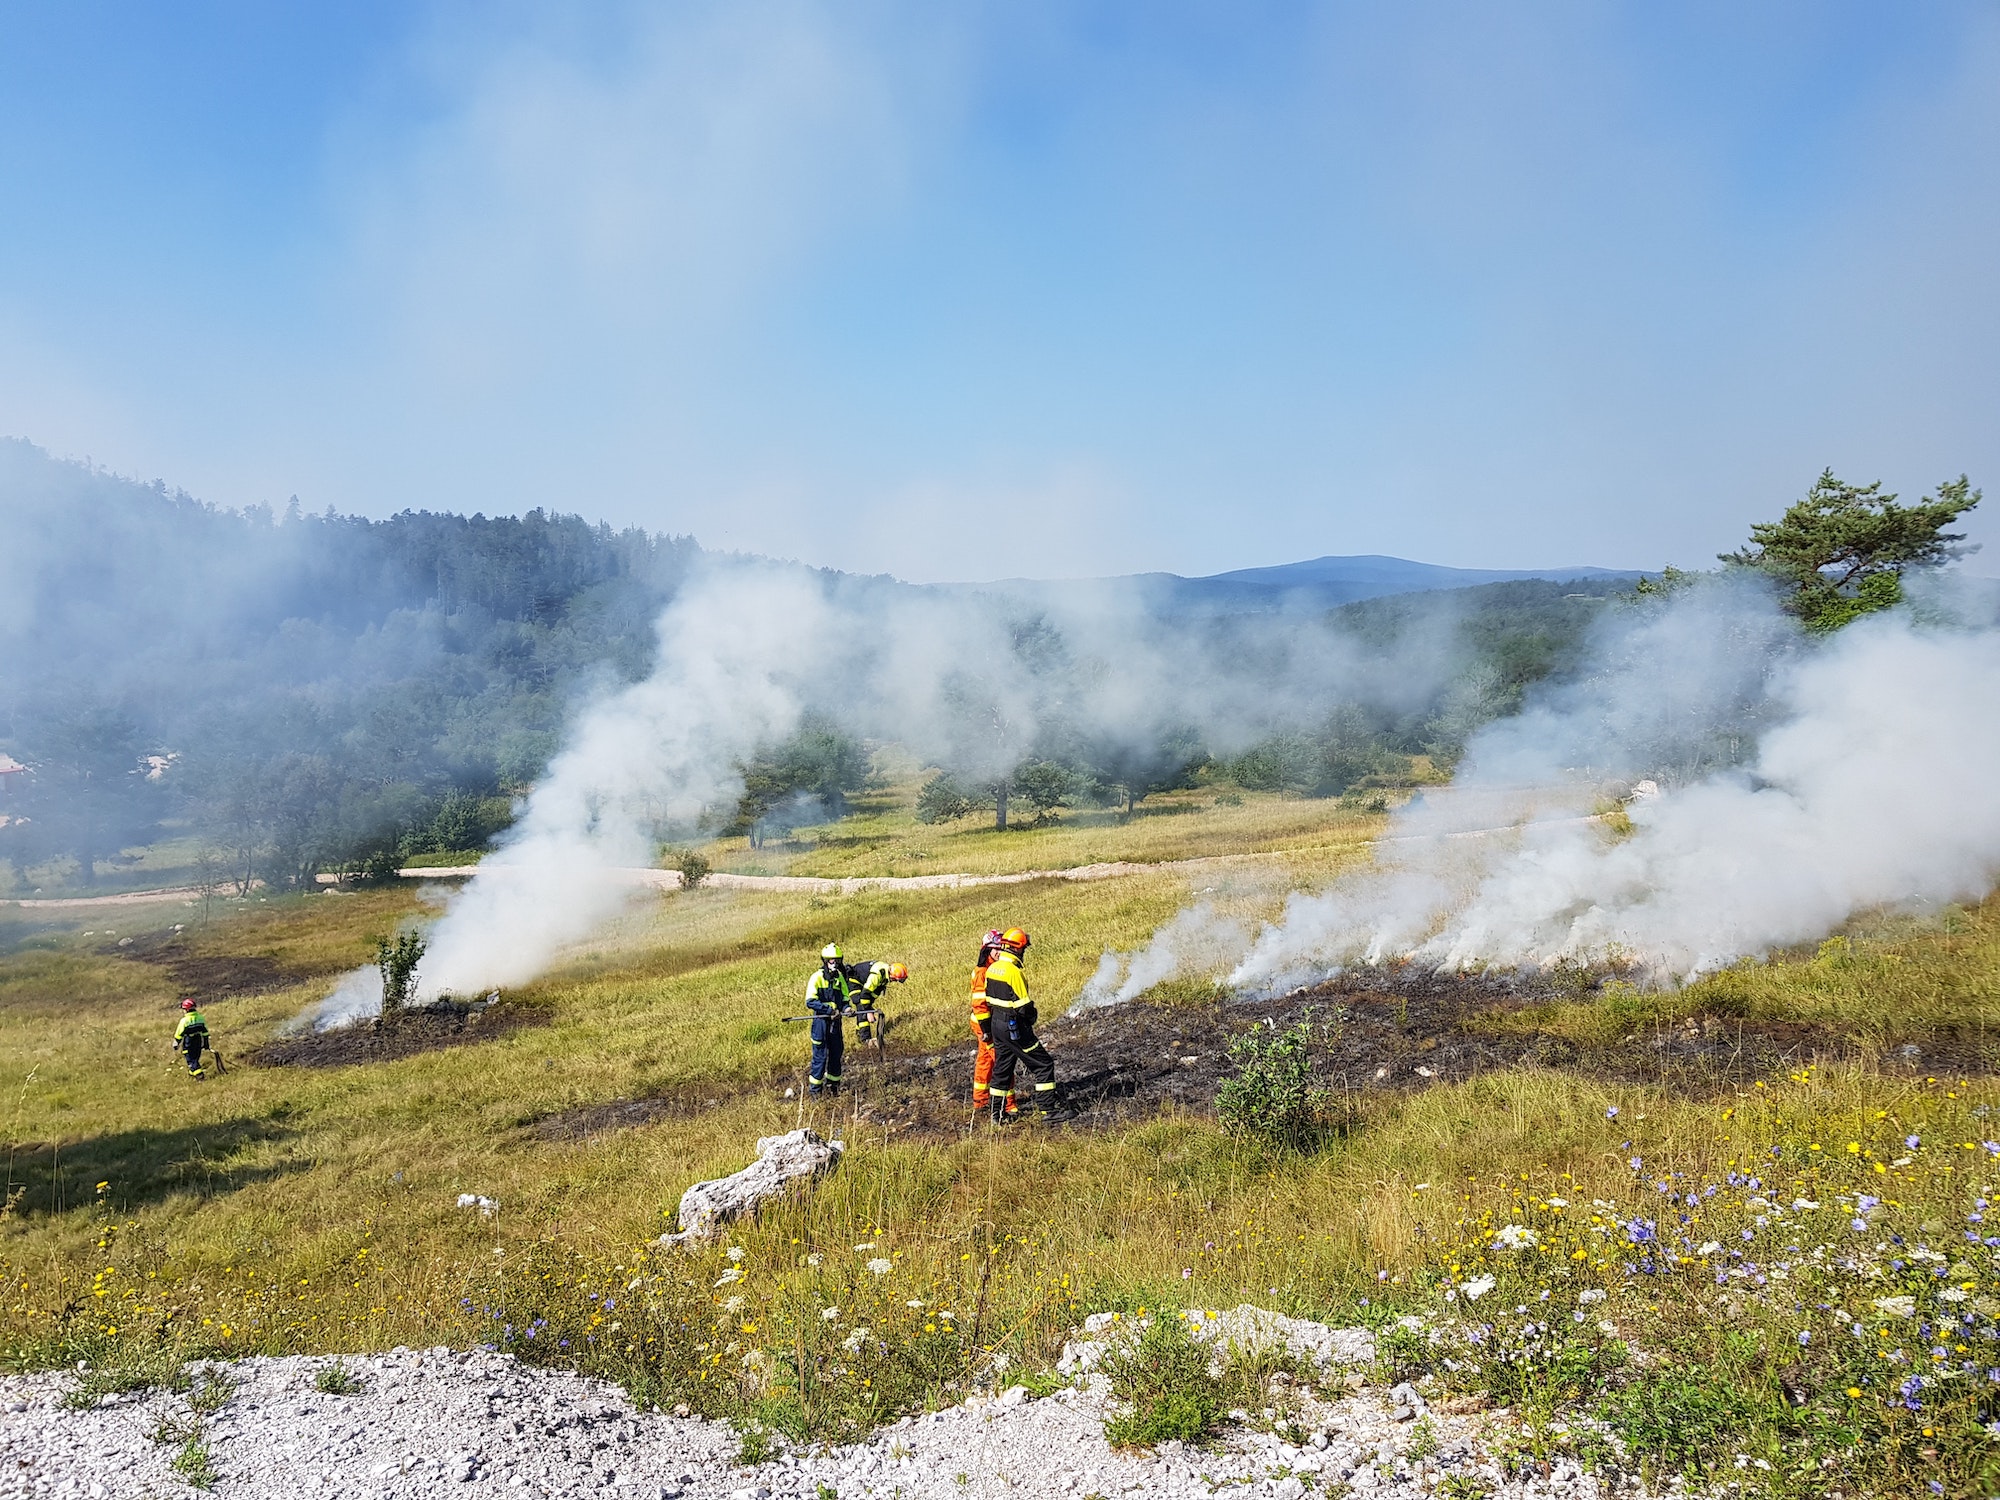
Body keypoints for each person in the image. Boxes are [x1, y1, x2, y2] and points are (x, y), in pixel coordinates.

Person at [980, 929, 1074, 1123]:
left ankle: (996, 1116)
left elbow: (987, 1000)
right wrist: (1032, 1017)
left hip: (997, 1024)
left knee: (1002, 1069)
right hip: (1015, 1027)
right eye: (1023, 949)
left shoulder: (992, 969)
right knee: (1043, 1064)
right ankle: (1048, 1110)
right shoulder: (1014, 972)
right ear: (1017, 949)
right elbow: (1024, 1007)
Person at [967, 929, 1015, 1116]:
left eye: (1001, 949)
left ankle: (980, 1100)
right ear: (987, 950)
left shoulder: (994, 968)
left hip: (988, 1023)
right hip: (985, 1024)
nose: (999, 952)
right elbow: (979, 1004)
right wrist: (986, 1030)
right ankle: (1009, 1104)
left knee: (985, 1061)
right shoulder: (982, 972)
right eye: (996, 949)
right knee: (1003, 1061)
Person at [804, 944, 861, 1097]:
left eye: (836, 960)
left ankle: (833, 1089)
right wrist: (829, 1011)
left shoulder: (839, 978)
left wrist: (847, 1009)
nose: (834, 963)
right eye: (830, 960)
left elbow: (844, 999)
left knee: (836, 1055)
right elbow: (810, 1001)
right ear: (824, 961)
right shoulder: (816, 977)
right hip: (821, 1023)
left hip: (836, 1023)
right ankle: (815, 1094)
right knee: (820, 1058)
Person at [843, 959, 908, 1043]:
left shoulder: (885, 975)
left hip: (862, 983)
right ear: (892, 975)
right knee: (861, 1006)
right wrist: (868, 1011)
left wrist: (869, 1007)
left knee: (864, 1007)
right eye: (895, 980)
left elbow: (872, 995)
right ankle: (865, 1039)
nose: (894, 981)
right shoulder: (878, 974)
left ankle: (859, 1034)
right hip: (853, 981)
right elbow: (865, 994)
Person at [172, 997, 210, 1078]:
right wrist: (206, 1043)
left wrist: (176, 1043)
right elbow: (205, 1032)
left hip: (189, 1041)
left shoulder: (184, 1021)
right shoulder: (200, 1018)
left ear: (187, 1010)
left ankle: (199, 1075)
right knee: (196, 1057)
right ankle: (192, 1073)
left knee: (190, 1059)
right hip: (198, 1040)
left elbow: (179, 1033)